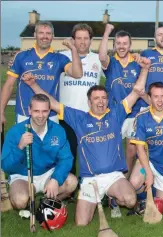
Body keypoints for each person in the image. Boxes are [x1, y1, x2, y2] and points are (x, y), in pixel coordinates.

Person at [21, 55, 149, 226]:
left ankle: (113, 199)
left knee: (131, 200)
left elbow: (136, 91)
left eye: (104, 98)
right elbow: (51, 103)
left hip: (114, 177)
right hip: (90, 179)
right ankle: (94, 198)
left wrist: (145, 69)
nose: (101, 102)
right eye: (96, 98)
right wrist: (33, 85)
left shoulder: (116, 114)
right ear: (89, 102)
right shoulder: (78, 118)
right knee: (82, 223)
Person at [1, 21, 82, 128]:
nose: (45, 36)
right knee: (24, 144)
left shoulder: (59, 58)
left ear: (53, 36)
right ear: (35, 35)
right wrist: (1, 112)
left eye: (48, 33)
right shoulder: (21, 56)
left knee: (50, 145)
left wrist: (73, 49)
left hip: (50, 114)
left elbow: (77, 74)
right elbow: (9, 85)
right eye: (41, 33)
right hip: (25, 114)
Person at [2, 93, 77, 210]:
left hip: (48, 174)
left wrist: (56, 179)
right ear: (29, 110)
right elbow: (6, 166)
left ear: (49, 111)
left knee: (72, 182)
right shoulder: (15, 131)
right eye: (36, 111)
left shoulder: (57, 130)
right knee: (20, 201)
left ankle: (46, 203)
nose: (41, 115)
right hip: (23, 176)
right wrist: (20, 147)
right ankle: (27, 201)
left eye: (45, 111)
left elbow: (66, 159)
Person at [98, 24, 144, 181]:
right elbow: (102, 57)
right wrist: (107, 32)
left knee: (131, 150)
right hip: (114, 113)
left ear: (130, 45)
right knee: (113, 149)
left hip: (134, 113)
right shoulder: (111, 62)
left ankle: (125, 181)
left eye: (125, 43)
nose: (122, 46)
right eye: (118, 43)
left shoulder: (137, 62)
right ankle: (110, 180)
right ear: (114, 45)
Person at [59, 23, 104, 179]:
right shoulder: (62, 56)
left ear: (91, 40)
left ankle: (92, 185)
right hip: (66, 115)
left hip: (89, 115)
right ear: (73, 40)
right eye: (79, 38)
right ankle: (68, 186)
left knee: (92, 153)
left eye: (86, 38)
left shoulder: (98, 59)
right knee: (68, 154)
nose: (82, 42)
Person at [129, 82, 163, 212]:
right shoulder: (142, 117)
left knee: (162, 207)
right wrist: (148, 173)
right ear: (150, 97)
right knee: (134, 182)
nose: (159, 100)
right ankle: (142, 198)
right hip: (149, 161)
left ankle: (151, 194)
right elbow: (140, 149)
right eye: (156, 96)